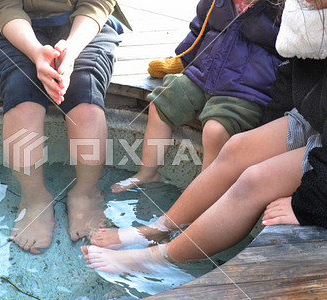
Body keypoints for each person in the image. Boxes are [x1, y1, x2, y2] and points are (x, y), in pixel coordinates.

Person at [82, 0, 327, 274]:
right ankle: (157, 229)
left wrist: (308, 207)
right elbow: (292, 74)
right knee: (237, 148)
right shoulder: (306, 10)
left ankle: (159, 257)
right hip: (315, 113)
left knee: (253, 179)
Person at [0, 0, 129, 253]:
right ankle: (34, 196)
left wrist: (71, 50)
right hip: (10, 26)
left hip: (84, 24)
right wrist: (36, 52)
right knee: (21, 93)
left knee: (85, 92)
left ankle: (86, 191)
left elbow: (97, 3)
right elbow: (4, 6)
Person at [111, 0, 284, 193]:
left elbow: (292, 55)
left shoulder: (282, 9)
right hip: (205, 73)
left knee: (215, 131)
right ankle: (147, 173)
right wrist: (181, 58)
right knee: (160, 105)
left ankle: (203, 193)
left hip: (247, 88)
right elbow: (198, 30)